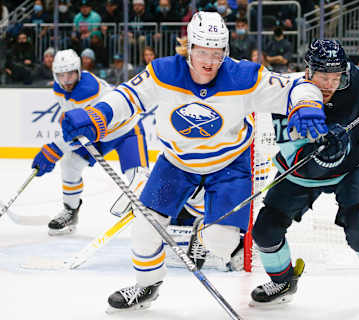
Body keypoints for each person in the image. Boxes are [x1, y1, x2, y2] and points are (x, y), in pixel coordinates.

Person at [58, 11, 331, 312]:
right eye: (202, 51)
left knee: (220, 243)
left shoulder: (243, 76)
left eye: (217, 53)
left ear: (225, 51)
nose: (209, 60)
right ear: (189, 48)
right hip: (176, 164)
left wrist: (307, 103)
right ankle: (146, 286)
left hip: (229, 166)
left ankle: (203, 230)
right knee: (145, 229)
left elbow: (295, 85)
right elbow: (127, 96)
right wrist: (95, 115)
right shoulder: (163, 72)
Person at [249, 39, 359, 306]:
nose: (330, 85)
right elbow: (296, 157)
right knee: (265, 230)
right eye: (324, 77)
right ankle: (283, 280)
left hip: (354, 166)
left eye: (336, 78)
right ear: (308, 71)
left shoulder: (351, 78)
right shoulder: (286, 94)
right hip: (303, 172)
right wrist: (324, 153)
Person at [31, 49, 149, 236]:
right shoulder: (58, 89)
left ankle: (158, 219)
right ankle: (70, 210)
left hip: (126, 130)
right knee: (70, 164)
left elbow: (81, 129)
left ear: (78, 71)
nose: (66, 81)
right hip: (97, 134)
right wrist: (57, 149)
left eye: (70, 74)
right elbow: (76, 125)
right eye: (61, 76)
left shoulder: (88, 90)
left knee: (138, 179)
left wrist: (54, 149)